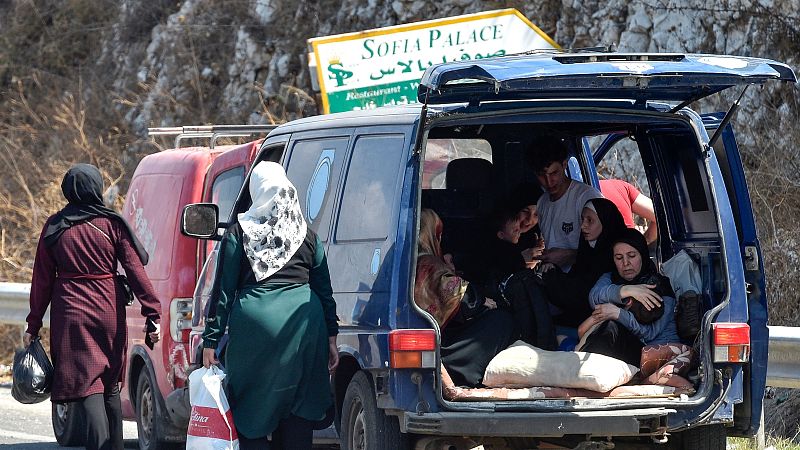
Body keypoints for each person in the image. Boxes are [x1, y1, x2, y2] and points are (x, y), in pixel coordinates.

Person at [201, 162, 339, 450]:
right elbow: (325, 292)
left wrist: (211, 340)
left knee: (252, 407)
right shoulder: (308, 236)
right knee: (298, 408)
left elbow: (223, 293)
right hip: (305, 328)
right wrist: (331, 337)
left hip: (255, 332)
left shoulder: (238, 235)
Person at [25, 164, 162, 450]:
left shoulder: (54, 227)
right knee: (110, 384)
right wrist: (152, 312)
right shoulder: (112, 224)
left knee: (88, 384)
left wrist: (33, 325)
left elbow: (41, 282)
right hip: (108, 309)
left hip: (71, 314)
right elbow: (136, 270)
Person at [415, 208, 516, 387]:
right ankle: (463, 372)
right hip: (442, 344)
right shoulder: (429, 263)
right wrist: (482, 300)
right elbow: (457, 293)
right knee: (501, 320)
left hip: (434, 336)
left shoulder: (417, 261)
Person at [584, 228, 694, 390]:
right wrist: (626, 290)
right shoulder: (610, 278)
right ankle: (588, 378)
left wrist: (617, 313)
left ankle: (592, 379)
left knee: (611, 327)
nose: (626, 263)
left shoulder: (659, 285)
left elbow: (649, 333)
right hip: (629, 351)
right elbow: (594, 297)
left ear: (642, 255)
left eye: (632, 256)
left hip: (653, 350)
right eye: (619, 258)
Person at [541, 198, 628, 327]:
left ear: (605, 222)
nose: (582, 226)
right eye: (582, 220)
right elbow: (576, 280)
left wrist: (552, 278)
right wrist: (552, 269)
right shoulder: (588, 249)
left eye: (590, 220)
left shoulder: (616, 256)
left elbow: (581, 294)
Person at [529, 136, 602, 271]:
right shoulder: (542, 203)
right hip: (557, 283)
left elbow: (607, 249)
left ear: (564, 164)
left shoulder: (587, 197)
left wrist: (570, 256)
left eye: (554, 173)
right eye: (542, 175)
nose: (549, 181)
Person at [599, 178, 658, 246]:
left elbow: (659, 214)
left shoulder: (586, 193)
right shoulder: (617, 186)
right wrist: (645, 239)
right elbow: (660, 215)